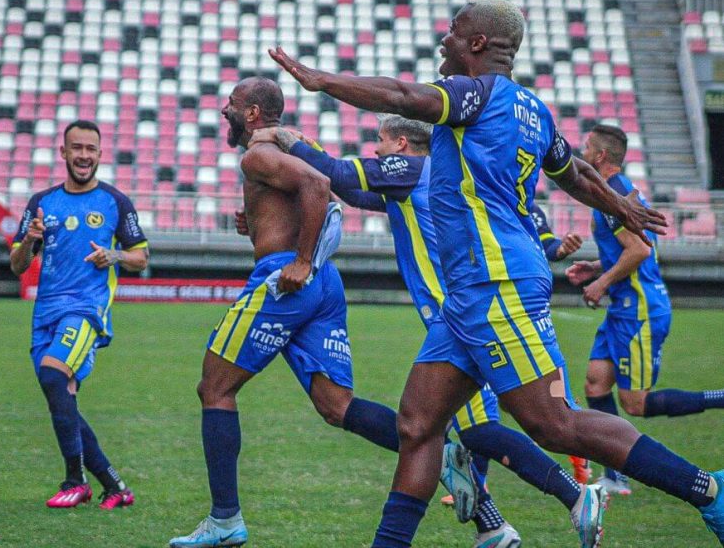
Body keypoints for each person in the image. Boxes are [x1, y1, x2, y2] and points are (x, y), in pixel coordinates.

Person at [271, 0, 724, 548]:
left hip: (497, 283)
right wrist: (616, 205)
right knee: (418, 427)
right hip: (470, 293)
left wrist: (320, 80)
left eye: (453, 31)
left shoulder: (473, 94)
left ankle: (708, 491)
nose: (444, 39)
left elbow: (401, 96)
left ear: (478, 44)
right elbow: (573, 171)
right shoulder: (531, 108)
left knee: (554, 424)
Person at [252, 116, 596, 548]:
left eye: (379, 141)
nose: (375, 150)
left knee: (471, 431)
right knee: (455, 431)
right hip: (458, 318)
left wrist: (289, 138)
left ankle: (573, 495)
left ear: (400, 143)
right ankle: (495, 525)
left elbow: (340, 174)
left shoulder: (418, 173)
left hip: (464, 318)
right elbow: (350, 189)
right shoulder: (418, 182)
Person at [168, 78, 475, 548]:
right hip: (322, 284)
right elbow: (317, 195)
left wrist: (299, 259)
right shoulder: (283, 150)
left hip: (287, 281)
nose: (225, 112)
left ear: (251, 113)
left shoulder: (257, 154)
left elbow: (318, 184)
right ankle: (443, 450)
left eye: (231, 105)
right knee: (336, 405)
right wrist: (260, 223)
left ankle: (225, 519)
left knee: (214, 387)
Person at [567, 124, 724, 496]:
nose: (582, 151)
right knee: (595, 383)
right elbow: (630, 248)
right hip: (624, 307)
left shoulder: (612, 194)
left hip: (639, 310)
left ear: (600, 156)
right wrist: (598, 267)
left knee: (634, 404)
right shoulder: (619, 192)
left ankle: (720, 398)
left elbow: (639, 250)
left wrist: (601, 282)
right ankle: (615, 477)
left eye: (587, 147)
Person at [10, 120, 148, 510]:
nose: (84, 155)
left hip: (86, 311)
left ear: (100, 154)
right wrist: (31, 242)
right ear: (64, 154)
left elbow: (141, 256)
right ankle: (115, 486)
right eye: (77, 148)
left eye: (91, 148)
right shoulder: (42, 203)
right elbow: (18, 265)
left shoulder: (115, 202)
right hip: (45, 314)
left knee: (54, 376)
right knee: (62, 397)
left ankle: (75, 480)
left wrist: (115, 255)